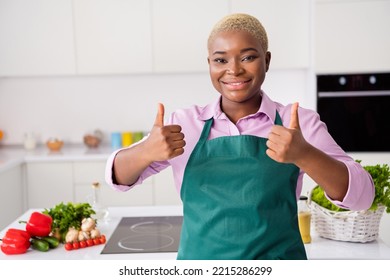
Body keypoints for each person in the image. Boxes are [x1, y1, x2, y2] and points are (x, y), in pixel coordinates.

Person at [105, 13, 375, 260]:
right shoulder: (184, 123)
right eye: (220, 60)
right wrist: (146, 151)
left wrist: (305, 154)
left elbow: (362, 198)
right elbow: (117, 178)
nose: (233, 70)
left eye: (247, 57)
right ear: (209, 64)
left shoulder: (298, 123)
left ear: (266, 60)